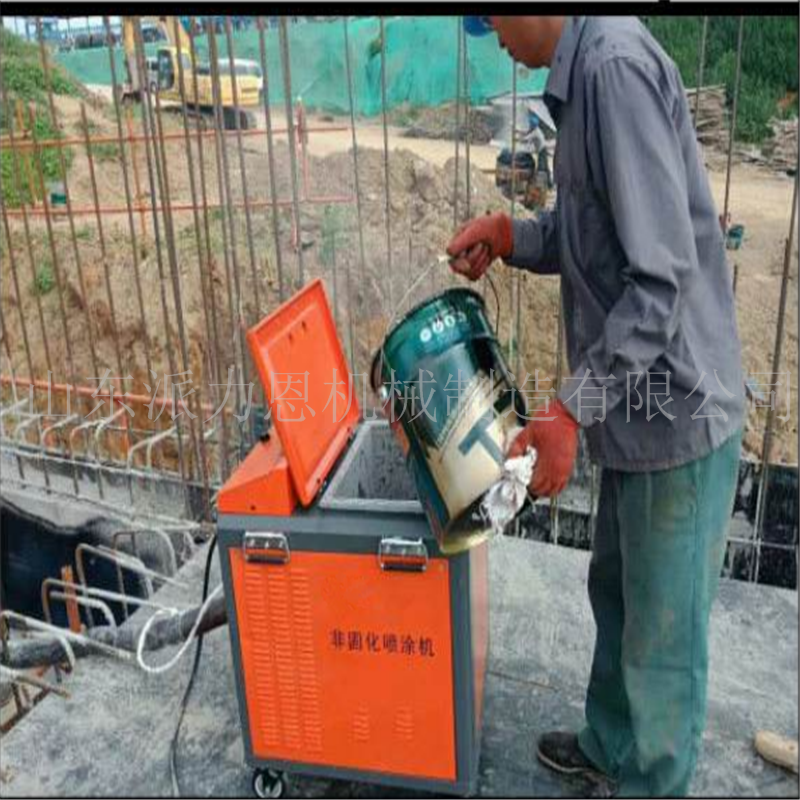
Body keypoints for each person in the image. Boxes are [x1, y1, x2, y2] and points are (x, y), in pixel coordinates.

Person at [450, 16, 745, 798]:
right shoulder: (581, 85)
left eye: (490, 20)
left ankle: (652, 779)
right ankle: (610, 745)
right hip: (633, 412)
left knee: (662, 641)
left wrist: (569, 411)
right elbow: (594, 240)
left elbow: (659, 280)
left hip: (675, 414)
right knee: (617, 593)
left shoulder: (612, 71)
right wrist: (515, 234)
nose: (493, 39)